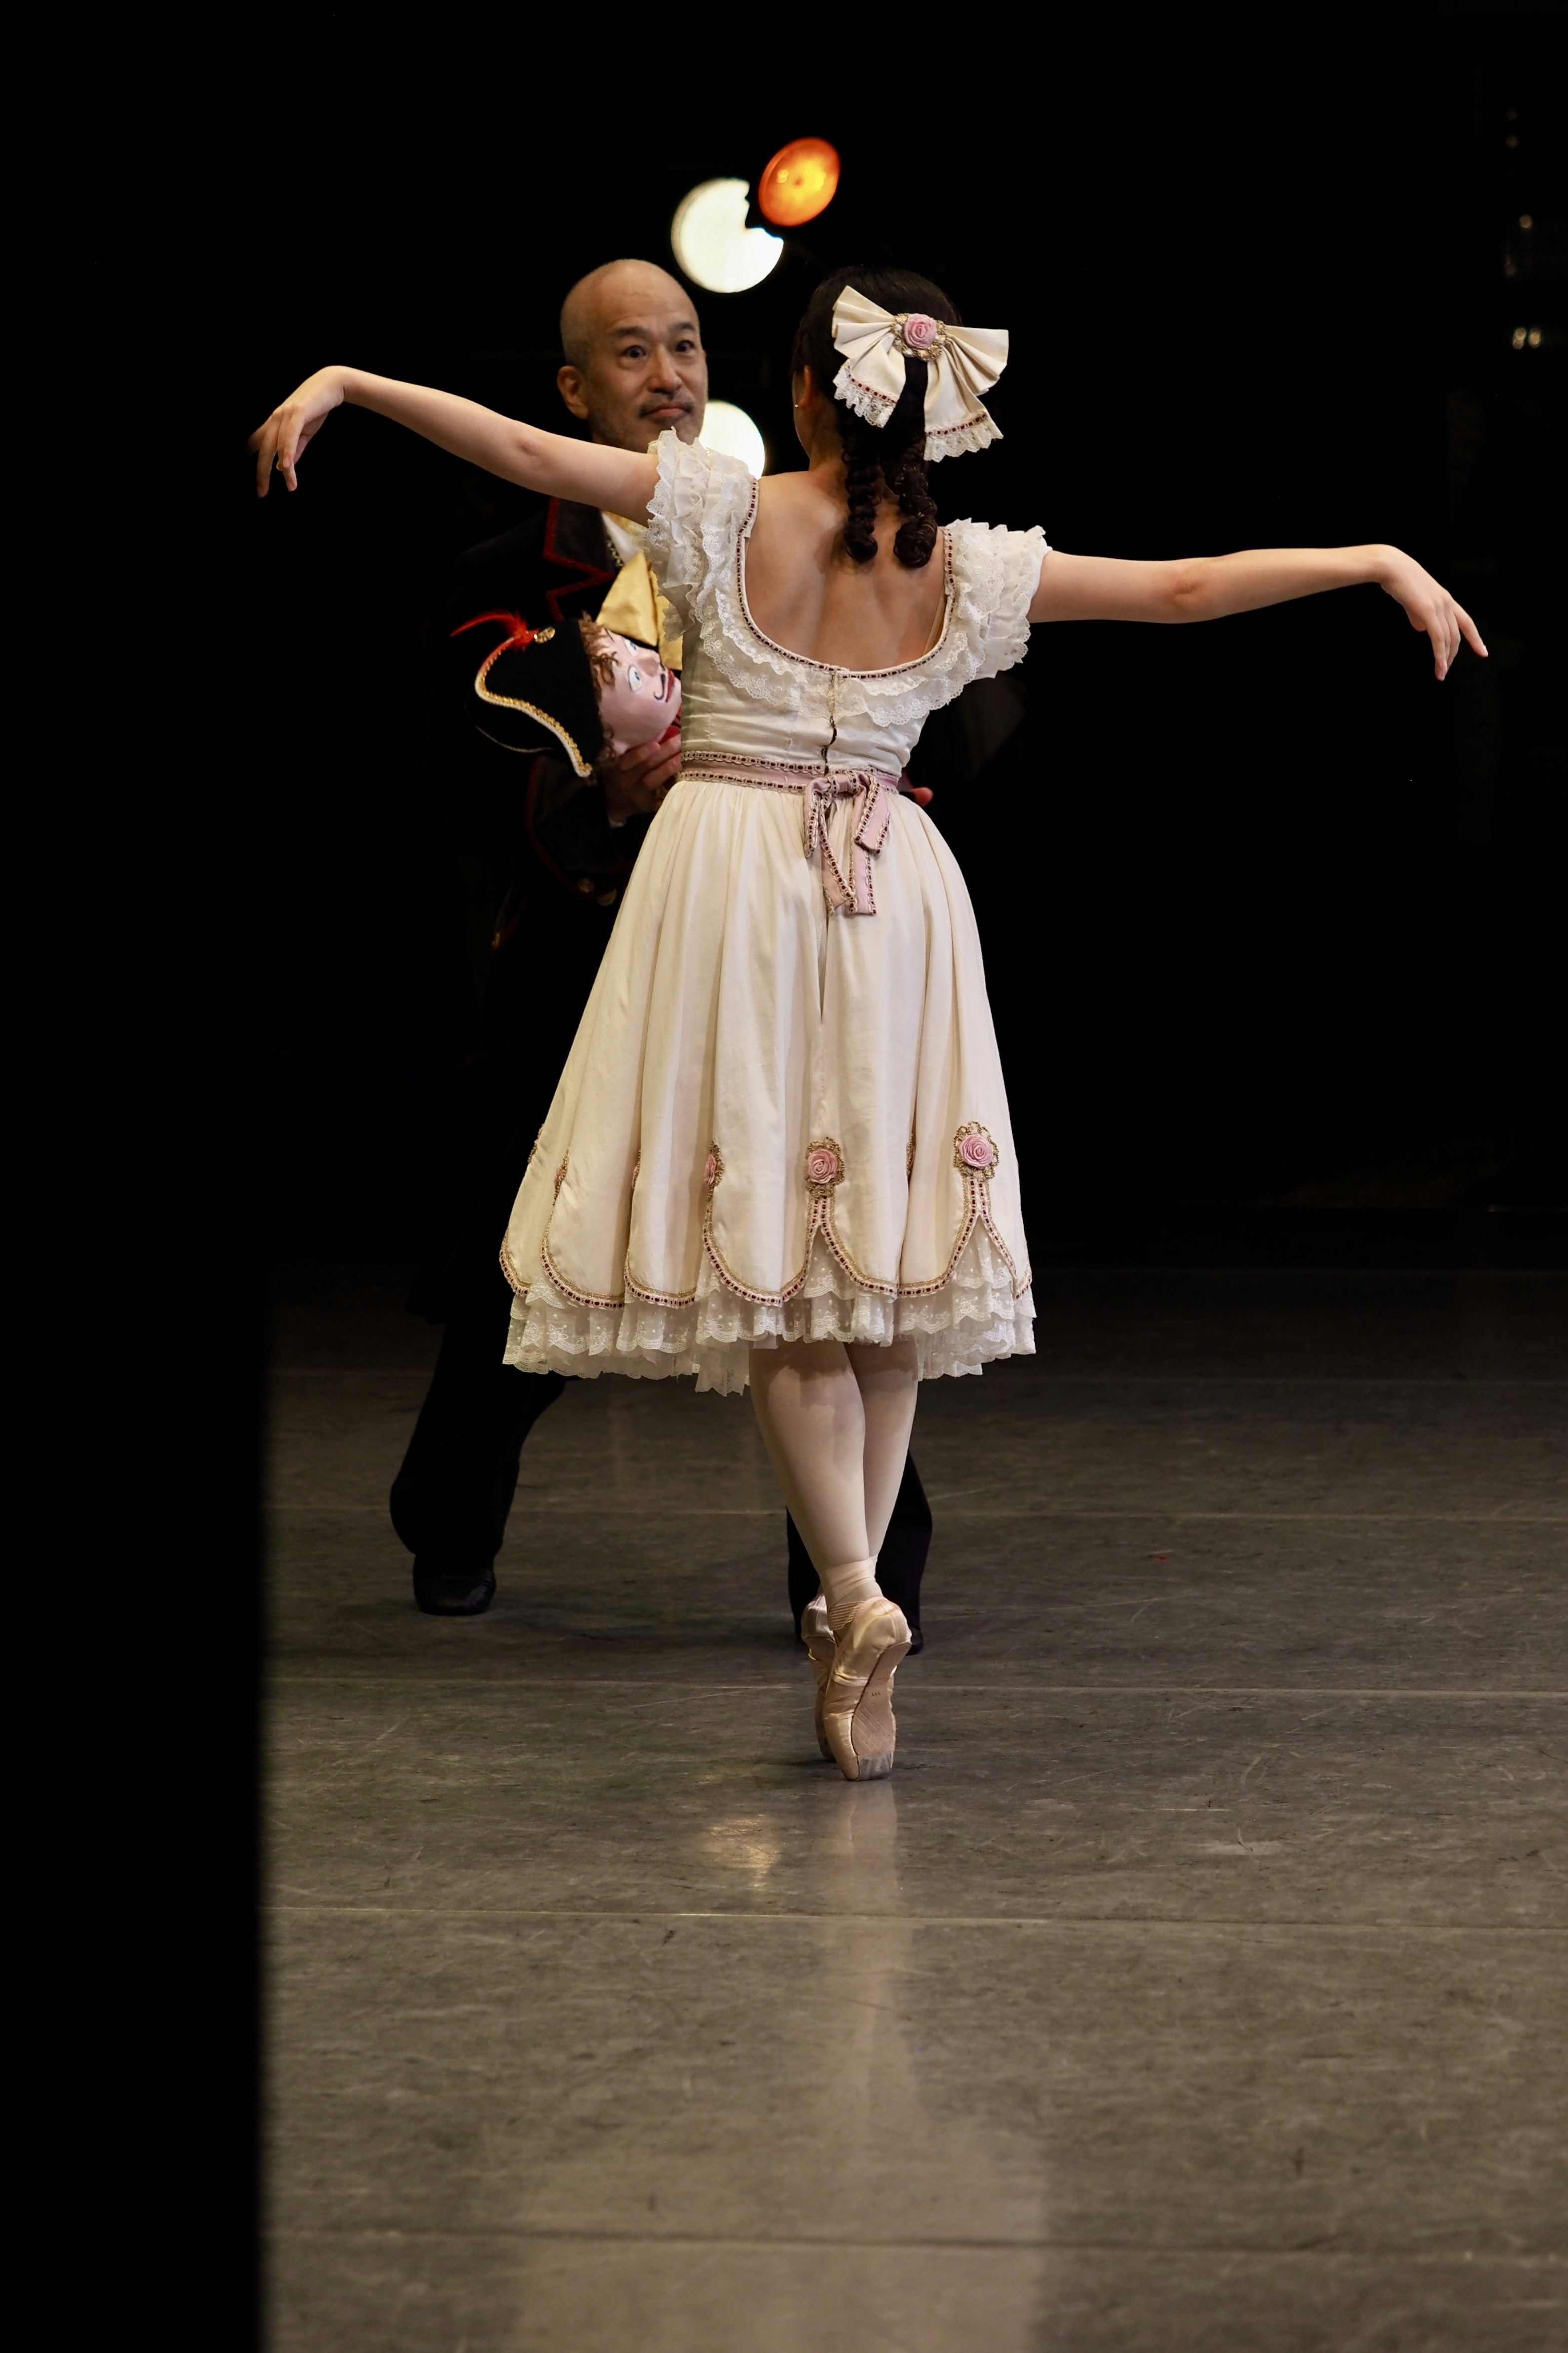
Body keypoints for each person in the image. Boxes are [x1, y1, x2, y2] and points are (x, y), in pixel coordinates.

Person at [251, 263, 1484, 1779]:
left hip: (736, 879)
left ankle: (848, 1590)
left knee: (779, 1264)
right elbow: (1181, 587)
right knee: (884, 1269)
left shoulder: (722, 510)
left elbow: (522, 452)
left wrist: (351, 385)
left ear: (796, 393)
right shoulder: (958, 562)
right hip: (892, 892)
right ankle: (858, 1601)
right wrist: (1372, 555)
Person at [386, 255, 936, 1634]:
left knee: (825, 1239)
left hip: (775, 944)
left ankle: (855, 1571)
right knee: (540, 1242)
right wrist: (592, 800)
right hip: (589, 947)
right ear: (575, 390)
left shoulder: (789, 529)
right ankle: (448, 1519)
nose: (669, 377)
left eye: (685, 346)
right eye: (631, 355)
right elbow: (470, 778)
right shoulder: (508, 572)